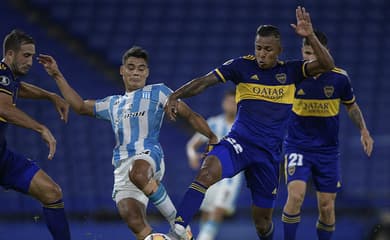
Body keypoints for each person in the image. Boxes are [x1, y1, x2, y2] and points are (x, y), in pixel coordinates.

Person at [165, 6, 335, 240]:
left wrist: (310, 36)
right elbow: (204, 81)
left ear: (279, 50)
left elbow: (327, 65)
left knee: (262, 222)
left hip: (269, 154)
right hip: (239, 143)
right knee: (206, 173)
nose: (261, 54)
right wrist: (176, 95)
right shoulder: (241, 66)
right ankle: (177, 231)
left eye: (267, 50)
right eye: (258, 48)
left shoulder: (293, 71)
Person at [37, 46, 218, 240]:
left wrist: (212, 137)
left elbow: (190, 115)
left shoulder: (159, 92)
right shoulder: (113, 103)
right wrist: (56, 75)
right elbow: (80, 106)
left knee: (138, 173)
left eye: (141, 68)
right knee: (134, 220)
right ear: (122, 70)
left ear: (147, 72)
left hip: (148, 156)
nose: (136, 72)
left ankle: (180, 225)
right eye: (131, 67)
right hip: (122, 167)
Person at [281, 31, 374, 240]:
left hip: (327, 151)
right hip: (298, 147)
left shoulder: (339, 78)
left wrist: (364, 130)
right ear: (301, 52)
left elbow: (351, 106)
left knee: (326, 206)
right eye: (306, 52)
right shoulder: (293, 75)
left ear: (326, 53)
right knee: (295, 195)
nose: (310, 57)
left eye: (315, 52)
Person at [0, 29, 70, 240]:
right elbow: (3, 108)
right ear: (10, 55)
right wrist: (41, 128)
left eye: (32, 56)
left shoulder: (7, 77)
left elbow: (18, 88)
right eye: (26, 55)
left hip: (2, 158)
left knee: (52, 192)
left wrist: (50, 96)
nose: (30, 61)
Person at [186, 90, 243, 240]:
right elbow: (192, 145)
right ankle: (205, 236)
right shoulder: (213, 123)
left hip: (231, 177)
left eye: (234, 102)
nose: (231, 105)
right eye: (229, 101)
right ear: (223, 103)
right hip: (210, 175)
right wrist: (192, 155)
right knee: (207, 212)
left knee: (218, 210)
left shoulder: (244, 126)